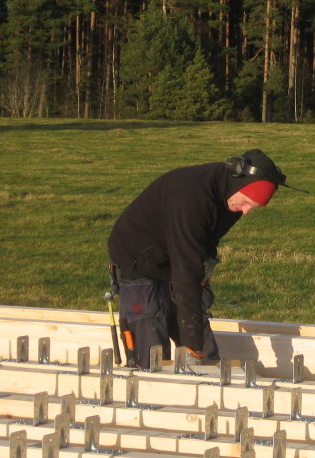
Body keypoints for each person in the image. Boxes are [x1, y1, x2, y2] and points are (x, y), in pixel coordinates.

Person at [107, 149, 301, 368]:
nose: (245, 212)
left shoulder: (231, 197)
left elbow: (202, 246)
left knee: (204, 351)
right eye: (246, 203)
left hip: (177, 255)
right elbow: (186, 270)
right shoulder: (189, 198)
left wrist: (202, 280)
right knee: (152, 353)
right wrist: (191, 345)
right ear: (238, 183)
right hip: (138, 259)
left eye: (252, 208)